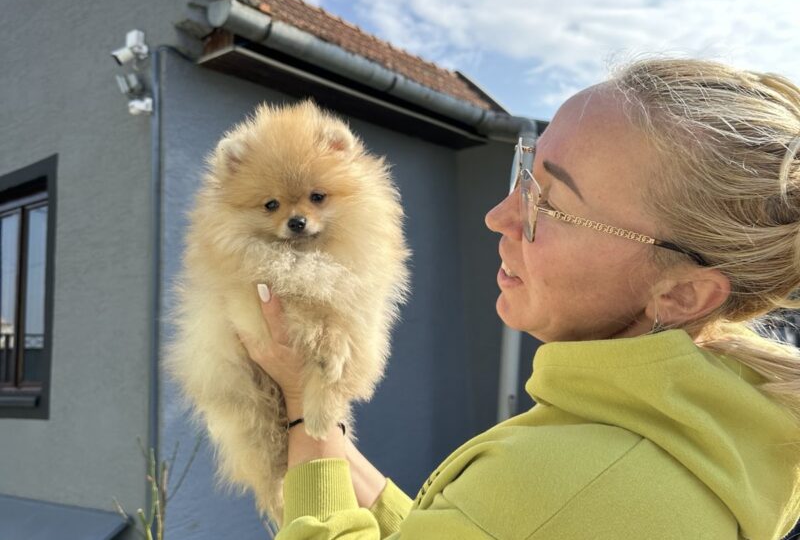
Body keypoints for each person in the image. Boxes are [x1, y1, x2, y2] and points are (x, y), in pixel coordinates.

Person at [238, 58, 800, 539]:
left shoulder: (570, 476)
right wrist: (329, 430)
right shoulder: (722, 432)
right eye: (526, 172)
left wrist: (305, 403)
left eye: (549, 205)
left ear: (680, 293)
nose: (499, 216)